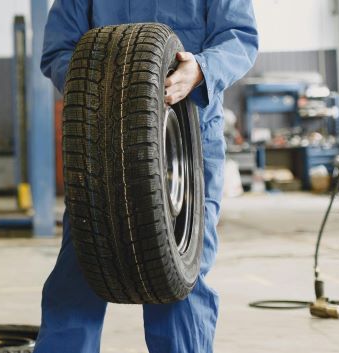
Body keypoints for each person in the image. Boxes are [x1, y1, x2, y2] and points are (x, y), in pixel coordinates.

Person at [35, 1, 258, 352]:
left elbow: (239, 38)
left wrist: (200, 69)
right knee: (78, 272)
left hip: (188, 142)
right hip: (105, 146)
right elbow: (59, 51)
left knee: (181, 280)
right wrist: (99, 89)